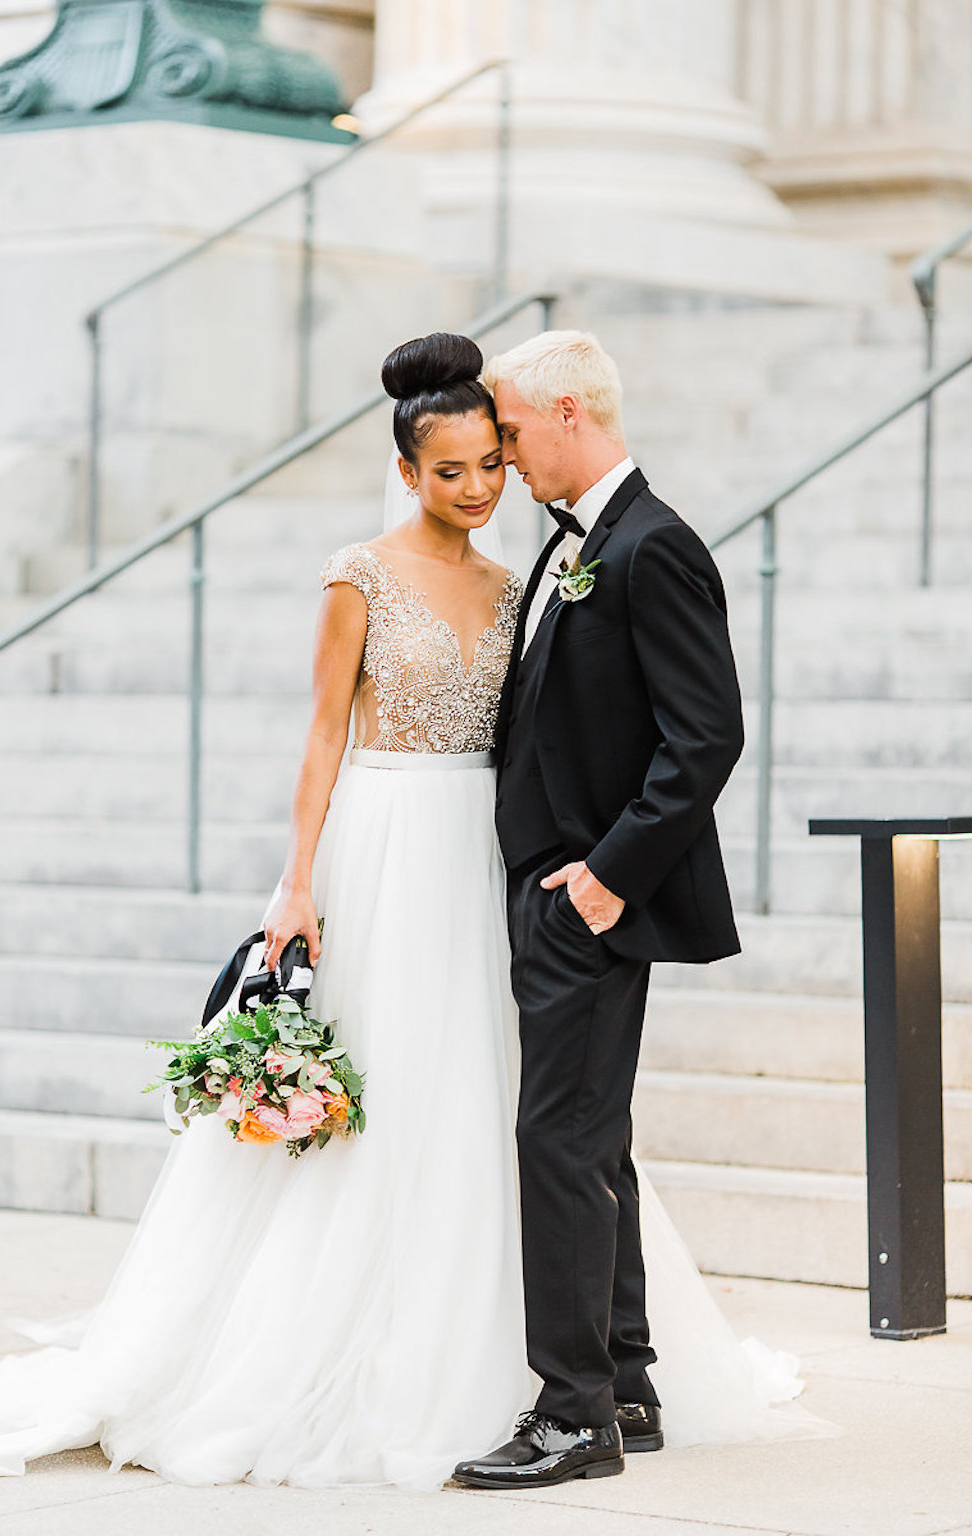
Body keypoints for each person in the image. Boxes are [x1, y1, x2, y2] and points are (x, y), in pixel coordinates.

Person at [0, 334, 532, 1490]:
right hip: (380, 842)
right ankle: (310, 1344)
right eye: (450, 470)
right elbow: (323, 735)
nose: (474, 489)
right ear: (407, 470)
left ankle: (476, 1334)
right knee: (379, 1081)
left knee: (473, 1083)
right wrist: (296, 882)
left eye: (488, 466)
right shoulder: (356, 573)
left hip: (478, 853)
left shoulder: (513, 589)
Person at [453, 330, 747, 1490]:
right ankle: (624, 1375)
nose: (504, 456)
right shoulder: (582, 544)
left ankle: (573, 1414)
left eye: (514, 433)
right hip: (560, 889)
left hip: (590, 898)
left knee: (557, 1141)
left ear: (569, 411)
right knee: (593, 1137)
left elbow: (705, 735)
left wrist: (609, 873)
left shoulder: (650, 545)